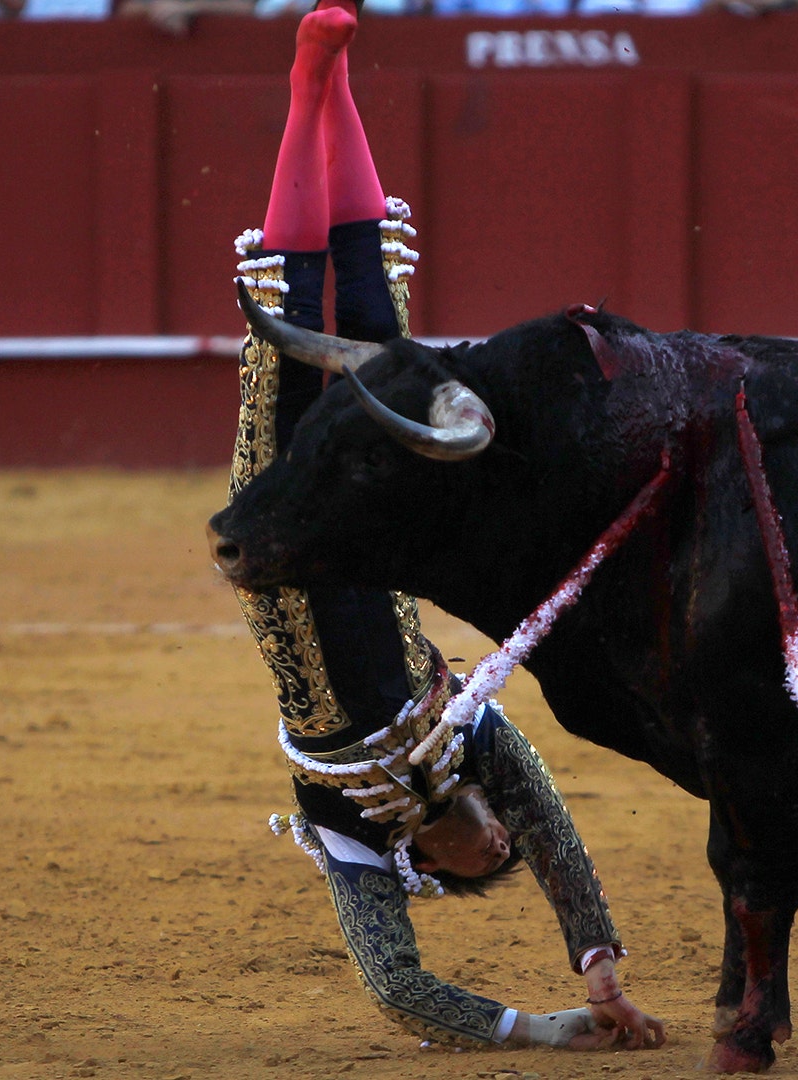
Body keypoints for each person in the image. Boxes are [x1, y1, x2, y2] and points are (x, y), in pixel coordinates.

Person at [227, 0, 668, 1052]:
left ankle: (307, 84)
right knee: (377, 312)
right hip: (374, 520)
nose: (502, 837)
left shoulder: (355, 841)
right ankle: (328, 73)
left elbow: (398, 990)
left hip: (284, 535)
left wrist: (541, 1031)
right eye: (504, 842)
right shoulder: (465, 746)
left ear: (434, 869)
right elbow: (557, 836)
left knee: (290, 322)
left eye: (487, 860)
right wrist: (599, 971)